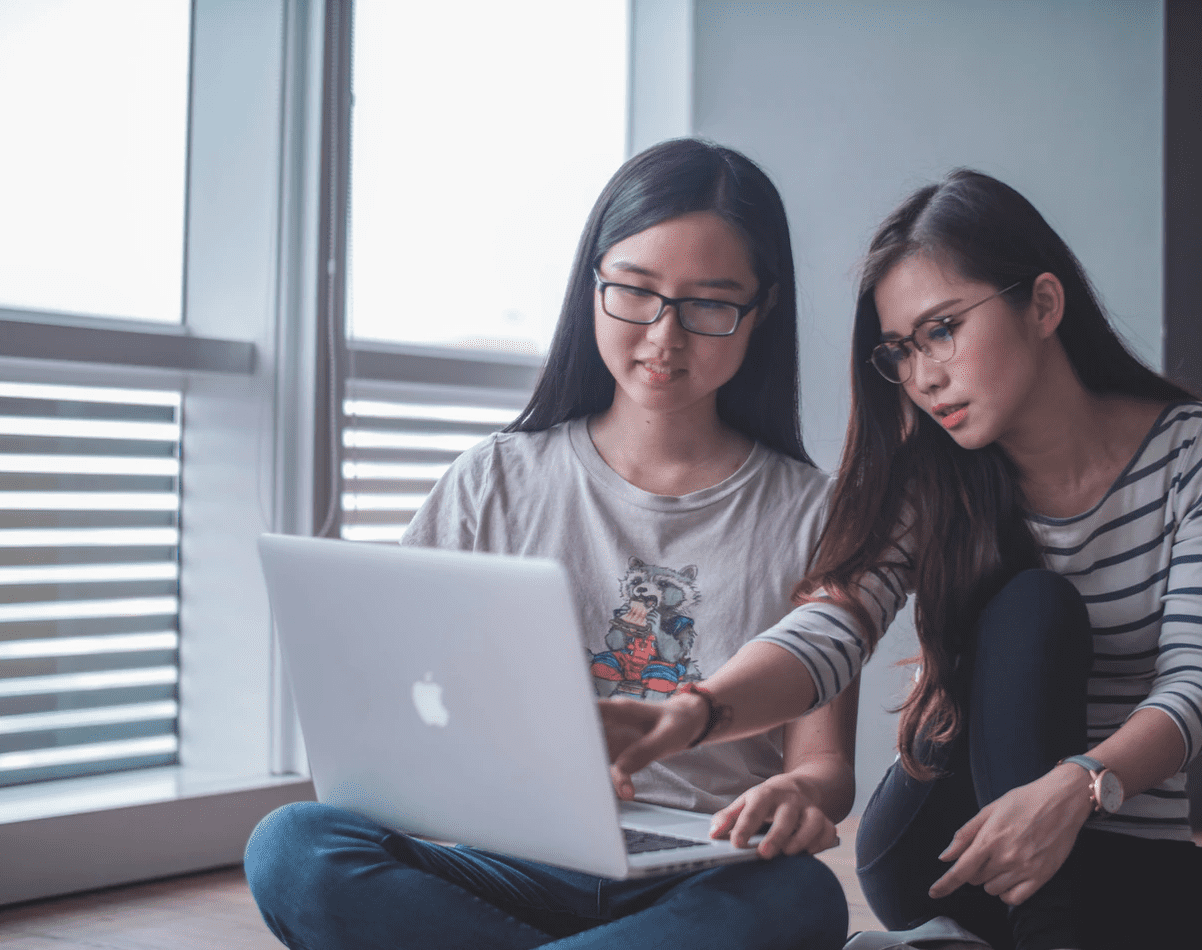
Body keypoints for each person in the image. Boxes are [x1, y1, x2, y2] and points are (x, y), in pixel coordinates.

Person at [243, 138, 856, 950]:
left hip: (702, 870)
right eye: (635, 292)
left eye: (709, 304)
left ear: (761, 310)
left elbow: (824, 767)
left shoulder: (816, 514)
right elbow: (396, 707)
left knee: (801, 898)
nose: (664, 337)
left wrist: (801, 797)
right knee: (292, 846)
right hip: (514, 861)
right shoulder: (492, 481)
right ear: (592, 284)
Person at [603, 168, 1202, 950]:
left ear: (1044, 304)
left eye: (943, 329)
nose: (922, 377)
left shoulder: (1186, 455)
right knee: (1032, 605)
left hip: (1124, 845)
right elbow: (829, 625)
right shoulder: (932, 475)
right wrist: (692, 712)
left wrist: (1078, 786)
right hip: (950, 845)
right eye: (899, 351)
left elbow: (1193, 677)